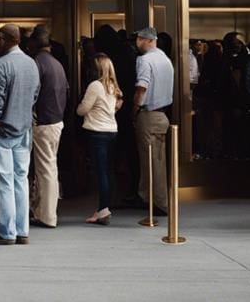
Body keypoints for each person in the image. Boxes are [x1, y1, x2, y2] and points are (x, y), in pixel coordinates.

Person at [0, 24, 40, 246]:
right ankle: (22, 230)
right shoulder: (31, 64)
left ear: (3, 38)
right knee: (21, 180)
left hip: (3, 131)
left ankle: (7, 232)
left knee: (4, 182)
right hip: (24, 128)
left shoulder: (1, 65)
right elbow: (35, 94)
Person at [28, 25, 68, 229]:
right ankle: (43, 211)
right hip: (57, 120)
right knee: (49, 167)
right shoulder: (56, 64)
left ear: (36, 42)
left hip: (44, 121)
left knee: (45, 170)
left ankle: (47, 215)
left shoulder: (38, 63)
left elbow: (33, 94)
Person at [77, 54, 123, 225]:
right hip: (111, 130)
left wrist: (78, 109)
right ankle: (105, 206)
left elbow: (83, 109)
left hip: (97, 132)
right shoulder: (113, 86)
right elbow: (116, 106)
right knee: (108, 171)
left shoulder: (95, 86)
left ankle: (103, 209)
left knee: (101, 172)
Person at [134, 27, 174, 216]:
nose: (137, 42)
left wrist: (134, 109)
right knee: (158, 158)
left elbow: (142, 86)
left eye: (140, 38)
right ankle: (147, 197)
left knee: (151, 161)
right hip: (163, 114)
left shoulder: (145, 60)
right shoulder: (165, 59)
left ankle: (157, 201)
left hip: (149, 114)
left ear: (147, 40)